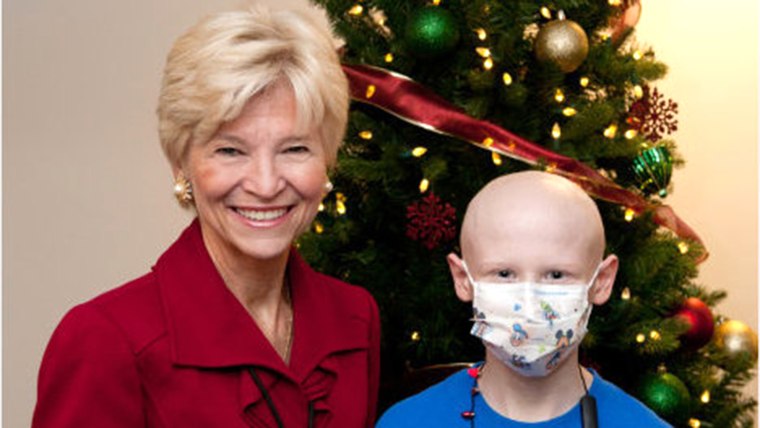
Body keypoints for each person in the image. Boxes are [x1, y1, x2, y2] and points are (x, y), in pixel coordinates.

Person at [32, 2, 380, 427]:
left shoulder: (354, 316)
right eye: (230, 150)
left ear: (327, 158)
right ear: (181, 163)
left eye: (295, 149)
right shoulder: (105, 338)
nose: (266, 184)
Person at [377, 171, 670, 427]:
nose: (529, 305)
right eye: (504, 273)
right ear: (463, 279)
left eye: (556, 275)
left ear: (602, 282)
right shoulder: (407, 422)